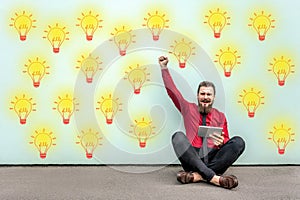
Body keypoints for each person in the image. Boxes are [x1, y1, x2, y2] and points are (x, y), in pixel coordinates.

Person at [158, 56, 245, 189]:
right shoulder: (188, 108)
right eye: (202, 94)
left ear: (213, 97)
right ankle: (214, 178)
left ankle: (196, 176)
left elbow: (226, 140)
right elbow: (172, 91)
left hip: (213, 157)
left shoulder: (220, 116)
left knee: (239, 142)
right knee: (178, 136)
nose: (205, 97)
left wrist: (221, 142)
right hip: (192, 158)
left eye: (208, 95)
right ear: (198, 96)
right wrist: (164, 68)